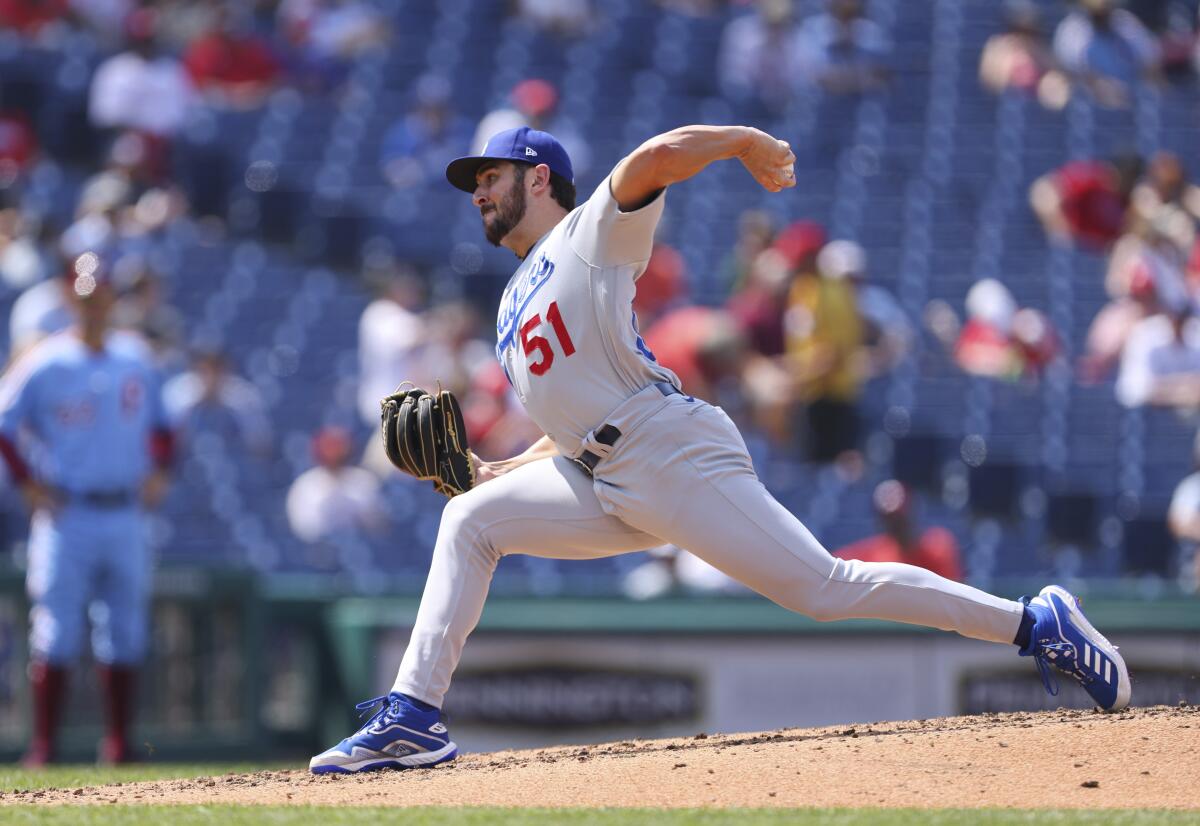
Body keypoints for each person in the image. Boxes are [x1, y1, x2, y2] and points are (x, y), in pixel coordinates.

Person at [309, 125, 1131, 774]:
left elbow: (656, 155)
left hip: (670, 452)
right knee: (473, 520)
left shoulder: (591, 230)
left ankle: (1034, 624)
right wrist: (494, 471)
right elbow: (570, 427)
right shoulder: (507, 306)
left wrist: (743, 142)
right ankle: (413, 719)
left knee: (824, 588)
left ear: (537, 179)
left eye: (490, 175)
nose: (478, 190)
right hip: (601, 472)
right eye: (474, 182)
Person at [0, 251, 174, 765]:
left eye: (99, 296)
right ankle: (44, 747)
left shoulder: (135, 356)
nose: (92, 306)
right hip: (66, 512)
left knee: (125, 629)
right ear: (69, 299)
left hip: (124, 511)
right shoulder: (46, 360)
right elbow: (5, 424)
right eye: (83, 297)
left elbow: (164, 429)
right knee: (56, 628)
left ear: (111, 300)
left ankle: (120, 745)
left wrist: (161, 471)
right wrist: (27, 483)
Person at [835, 480, 963, 583]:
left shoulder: (937, 547)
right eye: (890, 520)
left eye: (899, 519)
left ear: (911, 513)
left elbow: (952, 596)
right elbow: (835, 567)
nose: (896, 525)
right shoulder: (875, 554)